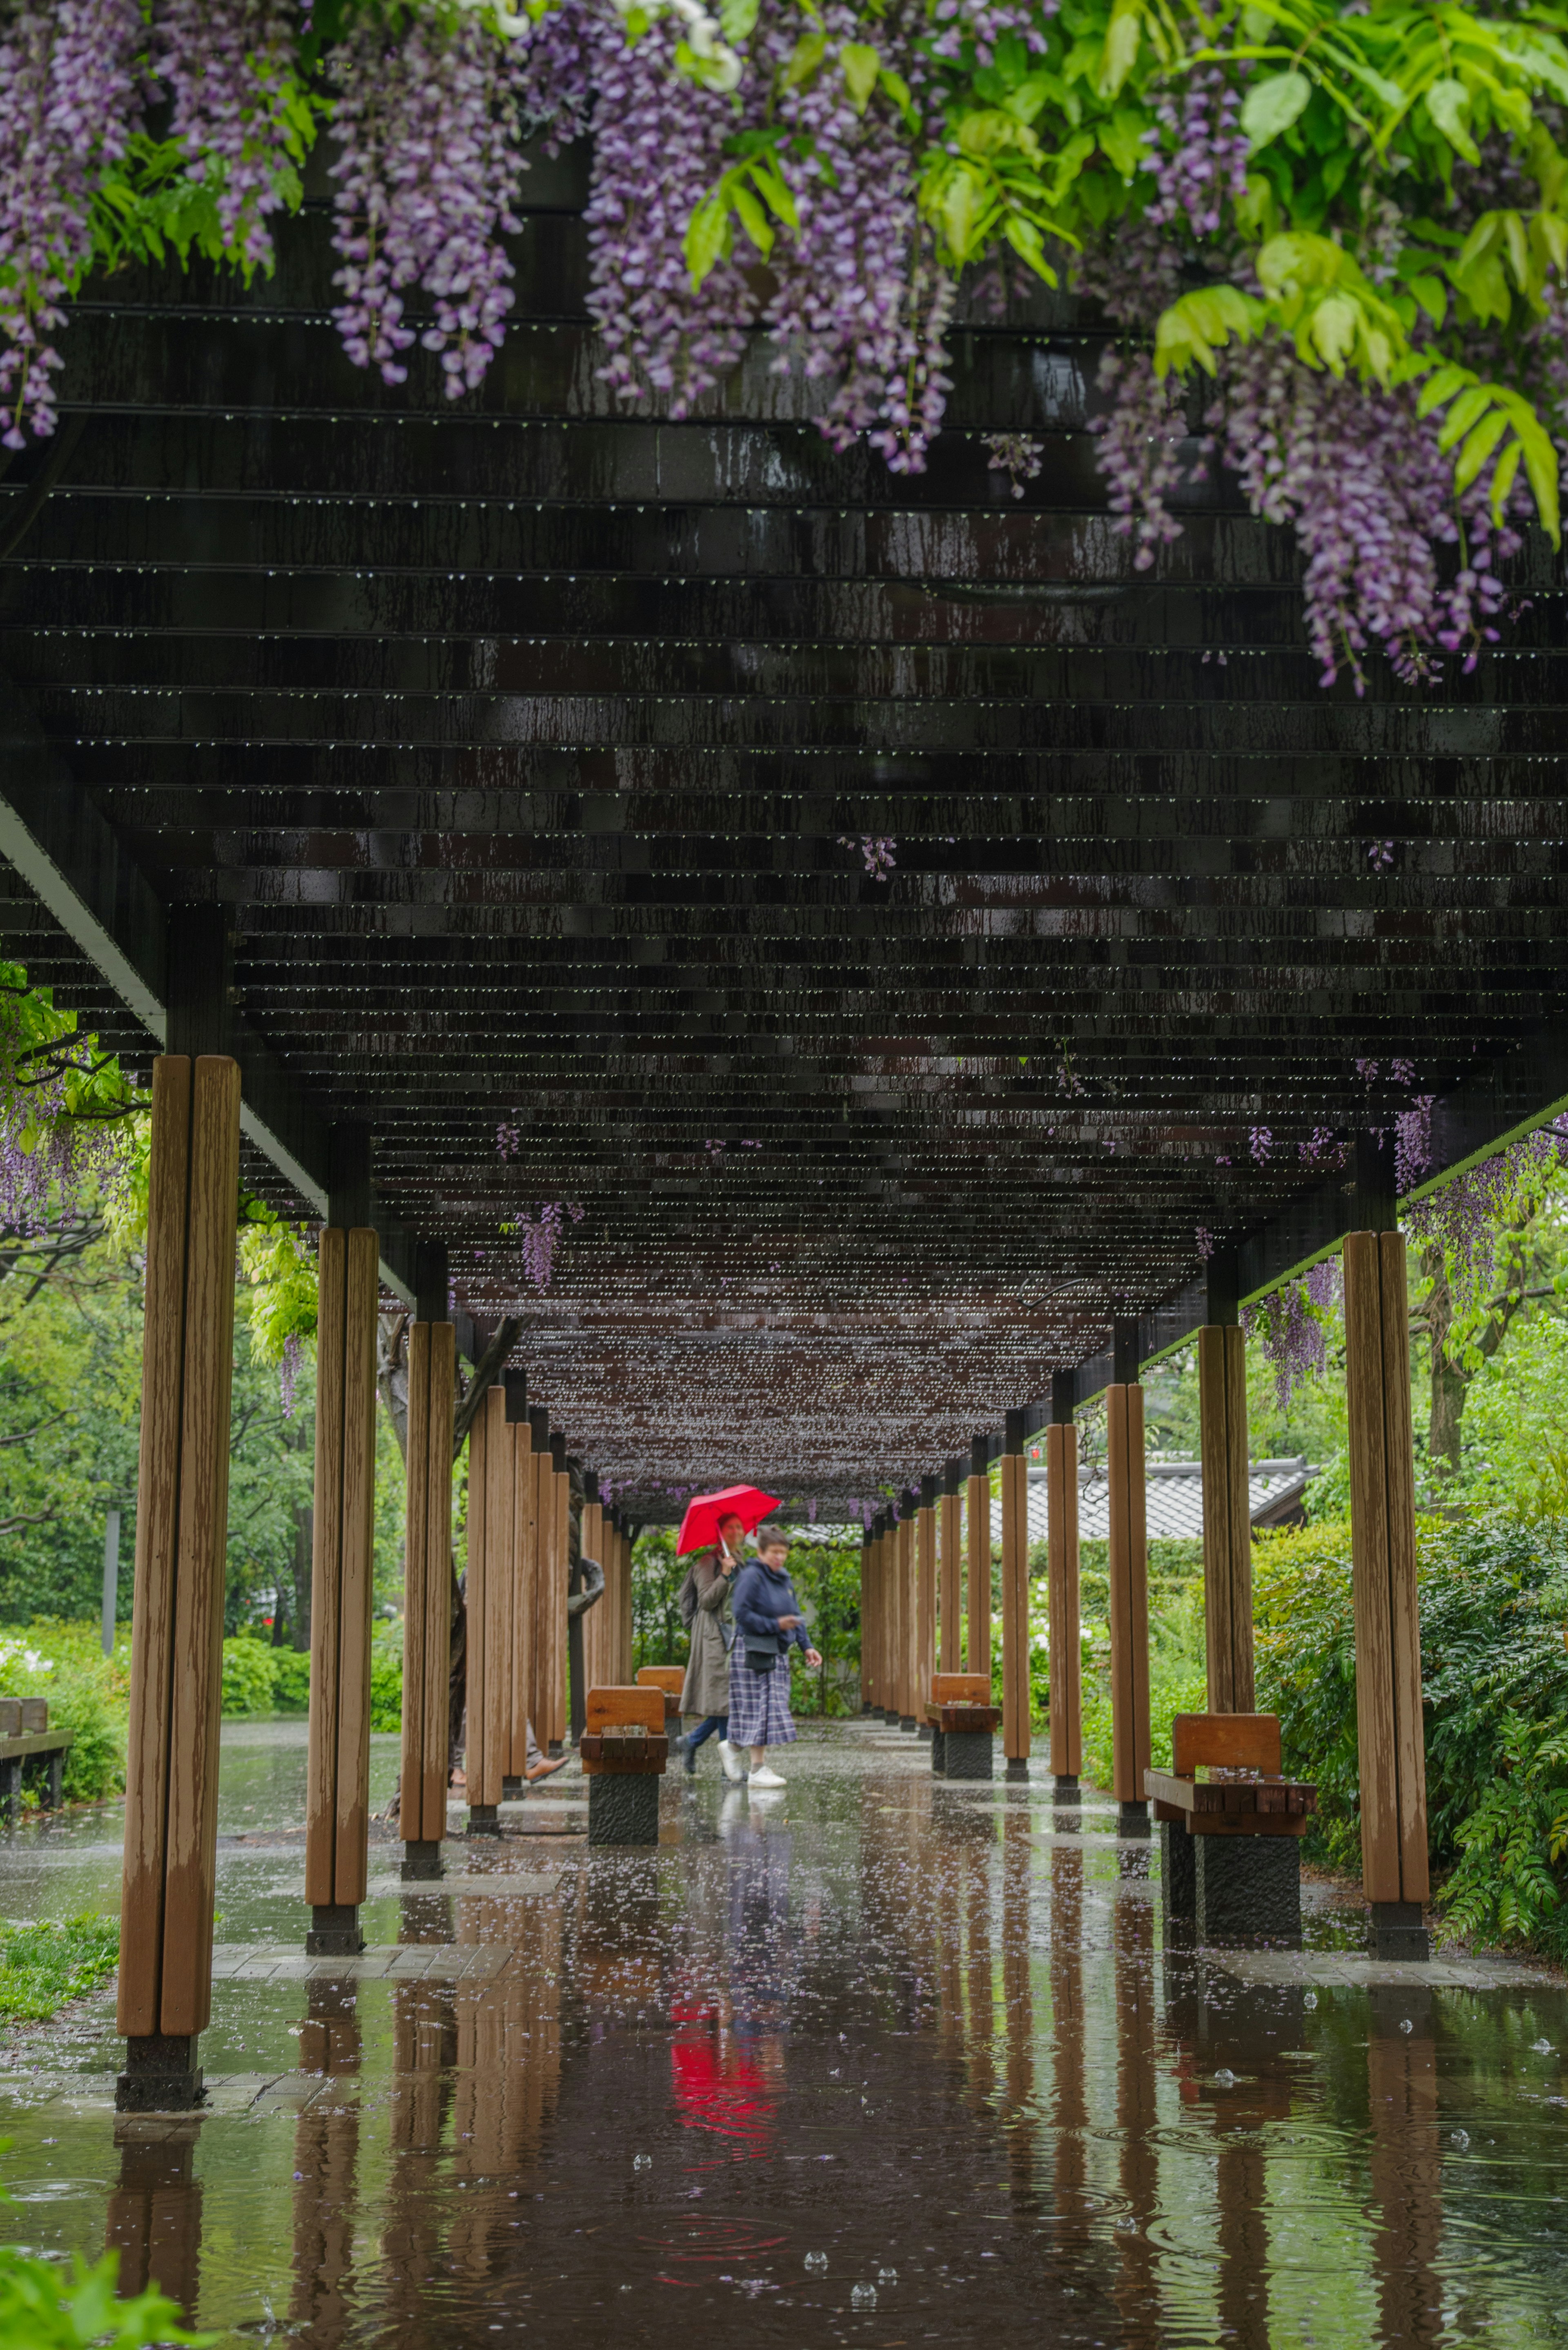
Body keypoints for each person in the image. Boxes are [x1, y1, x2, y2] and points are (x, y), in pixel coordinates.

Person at [724, 1525, 821, 1787]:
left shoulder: (784, 1579)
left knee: (770, 1707)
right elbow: (742, 1614)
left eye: (783, 1553)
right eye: (774, 1552)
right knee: (761, 1708)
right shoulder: (752, 1576)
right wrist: (776, 1625)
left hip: (776, 1651)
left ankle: (734, 1749)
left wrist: (807, 1646)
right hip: (752, 1650)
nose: (779, 1558)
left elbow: (795, 1615)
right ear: (761, 1552)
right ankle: (756, 1769)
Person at [678, 1510, 743, 1775]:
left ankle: (691, 1742)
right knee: (724, 1700)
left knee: (725, 1701)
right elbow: (706, 1601)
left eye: (739, 1528)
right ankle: (728, 1769)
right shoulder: (708, 1562)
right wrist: (724, 1575)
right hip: (714, 1638)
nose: (737, 1532)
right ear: (720, 1532)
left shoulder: (740, 1561)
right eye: (731, 1528)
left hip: (735, 1636)